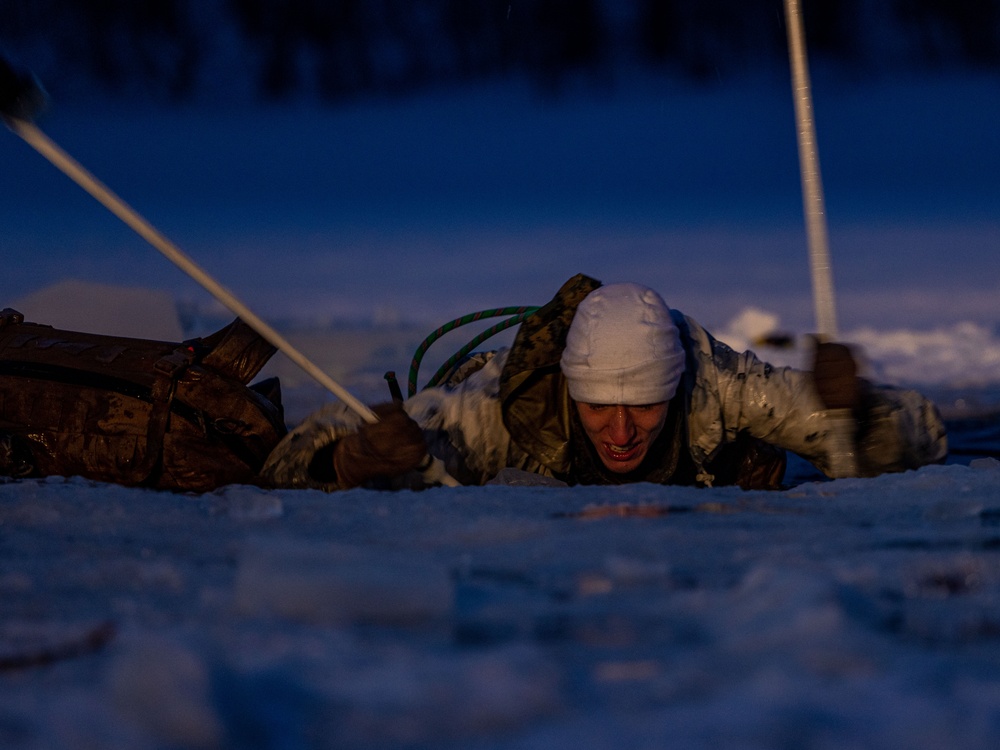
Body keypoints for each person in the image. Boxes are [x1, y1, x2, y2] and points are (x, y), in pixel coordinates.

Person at [261, 274, 947, 490]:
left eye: (644, 405)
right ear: (570, 392)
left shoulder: (721, 387)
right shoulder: (503, 411)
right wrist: (353, 458)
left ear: (675, 390)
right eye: (597, 407)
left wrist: (855, 411)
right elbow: (287, 461)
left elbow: (924, 436)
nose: (620, 432)